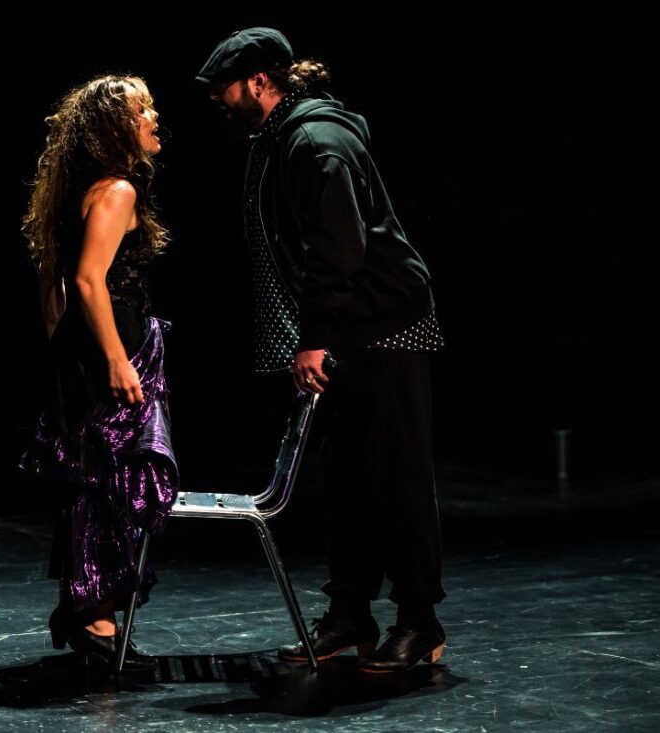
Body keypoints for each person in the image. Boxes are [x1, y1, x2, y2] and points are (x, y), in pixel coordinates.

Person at [196, 28, 447, 673]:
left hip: (383, 324)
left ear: (259, 81)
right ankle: (350, 613)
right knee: (348, 478)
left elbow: (338, 249)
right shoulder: (282, 137)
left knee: (397, 475)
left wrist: (313, 338)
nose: (218, 101)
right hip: (347, 328)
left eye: (224, 88)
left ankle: (420, 620)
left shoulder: (314, 140)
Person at [20, 75, 176, 672]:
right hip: (111, 353)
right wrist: (113, 358)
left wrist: (65, 349)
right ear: (113, 127)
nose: (154, 117)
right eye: (142, 109)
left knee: (93, 483)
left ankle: (88, 609)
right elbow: (87, 280)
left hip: (83, 353)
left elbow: (53, 288)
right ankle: (97, 619)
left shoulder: (82, 193)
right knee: (111, 486)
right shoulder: (117, 191)